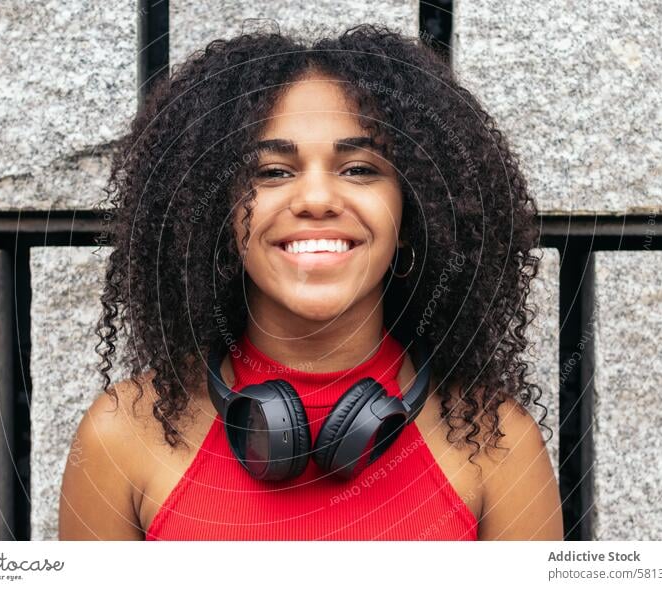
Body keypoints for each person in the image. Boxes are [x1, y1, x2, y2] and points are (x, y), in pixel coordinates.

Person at [58, 22, 563, 541]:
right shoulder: (122, 438)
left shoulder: (496, 444)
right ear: (218, 218)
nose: (316, 198)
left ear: (410, 218)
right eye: (273, 171)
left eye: (360, 169)